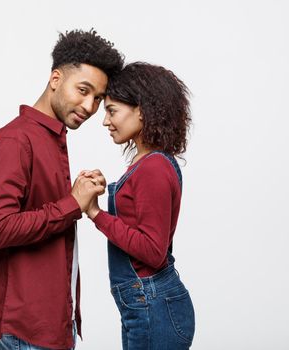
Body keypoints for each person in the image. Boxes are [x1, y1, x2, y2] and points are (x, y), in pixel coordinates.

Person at [0, 29, 124, 349]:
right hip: (28, 330)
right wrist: (72, 202)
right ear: (55, 78)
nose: (89, 106)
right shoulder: (14, 142)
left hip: (55, 324)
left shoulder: (51, 139)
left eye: (98, 98)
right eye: (83, 90)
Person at [81, 62, 195, 349]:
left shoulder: (153, 167)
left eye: (112, 110)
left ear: (141, 111)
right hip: (146, 304)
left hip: (152, 304)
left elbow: (152, 252)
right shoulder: (148, 162)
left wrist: (95, 213)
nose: (105, 121)